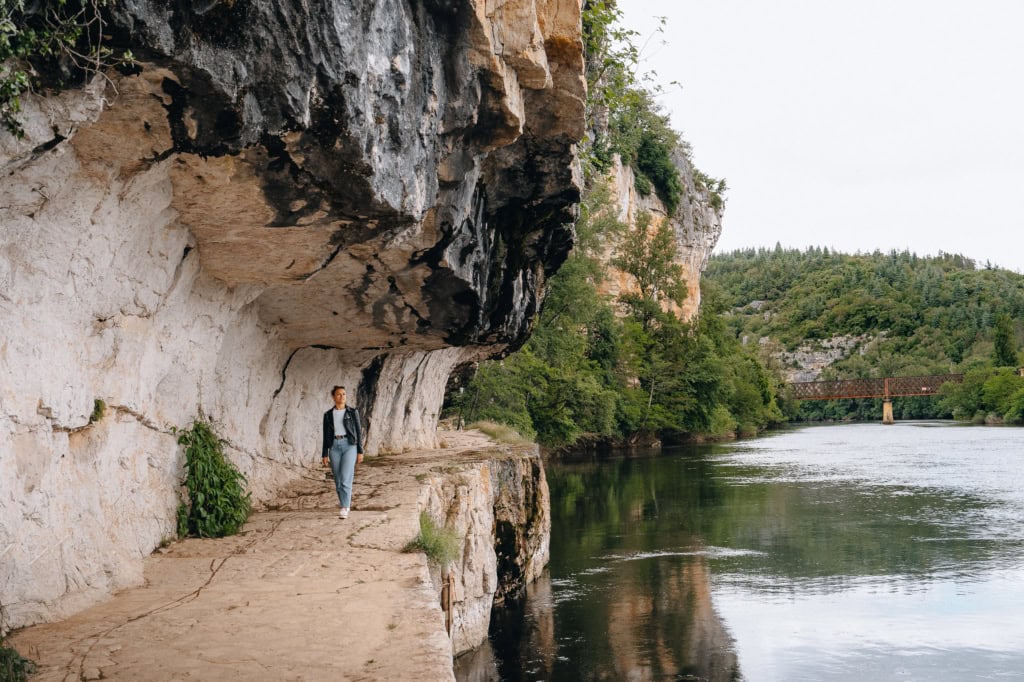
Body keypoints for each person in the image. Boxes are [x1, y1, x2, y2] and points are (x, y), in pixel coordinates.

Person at [321, 386, 363, 519]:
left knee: (345, 478)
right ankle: (344, 504)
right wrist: (324, 453)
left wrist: (360, 451)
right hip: (334, 446)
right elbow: (325, 435)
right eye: (339, 394)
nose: (342, 397)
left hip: (349, 446)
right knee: (338, 480)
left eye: (344, 394)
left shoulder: (352, 412)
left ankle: (344, 507)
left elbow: (358, 432)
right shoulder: (328, 415)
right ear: (333, 397)